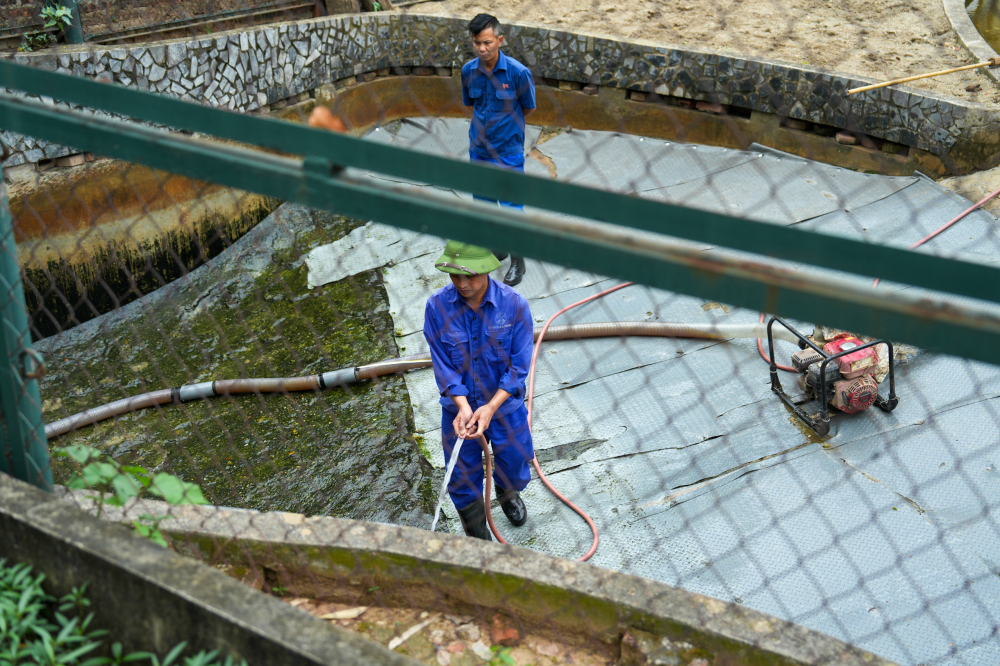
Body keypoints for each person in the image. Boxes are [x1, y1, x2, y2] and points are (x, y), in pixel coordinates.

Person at [424, 240, 534, 540]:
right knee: (460, 476)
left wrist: (491, 406)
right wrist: (462, 405)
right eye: (454, 276)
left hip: (504, 407)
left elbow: (519, 367)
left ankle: (506, 493)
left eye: (470, 276)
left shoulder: (514, 305)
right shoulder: (436, 308)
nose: (462, 284)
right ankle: (478, 536)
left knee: (514, 460)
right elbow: (442, 363)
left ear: (487, 270)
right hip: (459, 409)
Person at [462, 13, 536, 287]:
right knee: (483, 205)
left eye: (487, 42)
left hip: (508, 152)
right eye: (476, 43)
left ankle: (518, 259)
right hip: (479, 150)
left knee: (511, 208)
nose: (482, 49)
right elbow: (470, 103)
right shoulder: (469, 71)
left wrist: (506, 130)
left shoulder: (518, 73)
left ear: (500, 40)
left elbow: (528, 107)